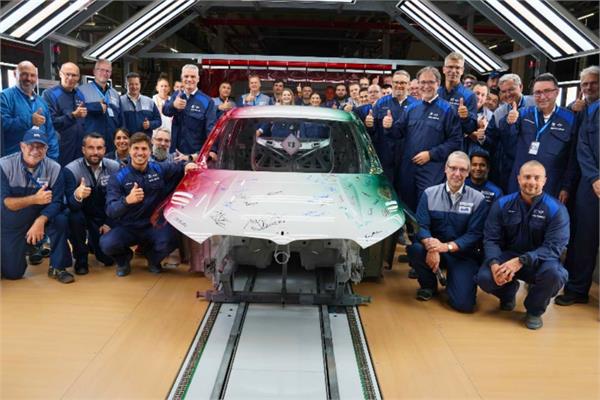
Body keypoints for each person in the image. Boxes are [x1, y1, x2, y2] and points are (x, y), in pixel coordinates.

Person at [476, 161, 569, 330]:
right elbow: (491, 239)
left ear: (544, 181)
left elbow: (554, 247)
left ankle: (534, 310)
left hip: (540, 261)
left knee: (556, 274)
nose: (531, 182)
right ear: (518, 179)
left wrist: (522, 260)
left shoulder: (557, 209)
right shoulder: (502, 204)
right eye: (527, 177)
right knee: (484, 277)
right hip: (508, 256)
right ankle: (508, 292)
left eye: (536, 177)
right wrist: (495, 263)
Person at [100, 133, 198, 276]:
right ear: (129, 150)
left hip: (153, 225)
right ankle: (123, 260)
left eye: (144, 149)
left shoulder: (159, 169)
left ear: (150, 151)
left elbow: (178, 167)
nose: (140, 153)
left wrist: (187, 164)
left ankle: (153, 259)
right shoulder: (118, 177)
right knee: (107, 244)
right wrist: (127, 201)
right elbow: (110, 210)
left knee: (172, 239)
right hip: (128, 227)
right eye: (136, 148)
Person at [407, 151, 488, 312]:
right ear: (445, 169)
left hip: (462, 255)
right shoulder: (429, 194)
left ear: (468, 172)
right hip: (434, 251)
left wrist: (446, 247)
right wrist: (431, 246)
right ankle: (429, 285)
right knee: (416, 249)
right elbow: (421, 226)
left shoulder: (478, 199)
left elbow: (474, 235)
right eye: (453, 168)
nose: (457, 174)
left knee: (463, 305)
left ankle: (455, 283)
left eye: (462, 170)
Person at [0, 129, 73, 283]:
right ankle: (25, 248)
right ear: (21, 146)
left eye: (40, 147)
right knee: (13, 273)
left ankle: (58, 267)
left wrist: (40, 220)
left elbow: (57, 202)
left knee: (61, 219)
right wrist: (34, 199)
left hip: (43, 215)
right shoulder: (4, 165)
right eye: (30, 146)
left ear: (46, 149)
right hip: (13, 219)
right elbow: (5, 203)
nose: (35, 150)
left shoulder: (54, 168)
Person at [391, 66, 462, 212]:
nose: (426, 86)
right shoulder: (411, 108)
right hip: (408, 168)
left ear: (438, 84)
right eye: (422, 82)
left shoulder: (447, 110)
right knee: (406, 206)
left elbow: (455, 141)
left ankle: (425, 235)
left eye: (430, 82)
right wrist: (388, 126)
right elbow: (397, 133)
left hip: (432, 169)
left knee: (428, 206)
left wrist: (431, 154)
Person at [499, 73, 577, 200]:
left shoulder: (570, 119)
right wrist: (509, 121)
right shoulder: (523, 114)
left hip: (551, 184)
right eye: (537, 92)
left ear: (556, 92)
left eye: (547, 91)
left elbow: (572, 158)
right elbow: (505, 136)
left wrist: (566, 187)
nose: (542, 97)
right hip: (520, 183)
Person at [557, 99, 599, 306]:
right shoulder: (591, 111)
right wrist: (594, 178)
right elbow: (582, 146)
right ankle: (577, 289)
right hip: (590, 185)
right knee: (584, 240)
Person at [63, 133, 120, 275]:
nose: (95, 152)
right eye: (91, 148)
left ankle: (95, 245)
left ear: (105, 149)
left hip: (103, 214)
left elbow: (118, 199)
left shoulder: (114, 167)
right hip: (81, 213)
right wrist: (77, 196)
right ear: (83, 150)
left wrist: (109, 223)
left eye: (99, 148)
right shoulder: (71, 169)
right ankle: (81, 258)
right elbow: (71, 205)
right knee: (73, 217)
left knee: (107, 259)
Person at [485, 74, 535, 192]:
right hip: (509, 166)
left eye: (511, 89)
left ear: (521, 87)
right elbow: (490, 139)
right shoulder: (499, 113)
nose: (508, 94)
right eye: (503, 91)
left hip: (533, 162)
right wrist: (480, 136)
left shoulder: (535, 104)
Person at [366, 70, 417, 185]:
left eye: (403, 83)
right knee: (386, 190)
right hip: (385, 156)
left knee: (405, 192)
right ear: (392, 83)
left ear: (409, 85)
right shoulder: (381, 103)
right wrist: (369, 125)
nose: (399, 85)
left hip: (407, 157)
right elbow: (372, 131)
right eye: (396, 82)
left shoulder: (416, 104)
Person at [1, 61, 59, 160]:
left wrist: (53, 159)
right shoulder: (4, 97)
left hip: (41, 162)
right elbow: (3, 124)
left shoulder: (42, 102)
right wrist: (29, 120)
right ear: (15, 74)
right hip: (14, 162)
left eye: (32, 75)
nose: (29, 79)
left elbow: (50, 134)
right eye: (24, 74)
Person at [163, 64, 217, 158]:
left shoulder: (207, 101)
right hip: (175, 153)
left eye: (193, 76)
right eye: (186, 76)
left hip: (195, 154)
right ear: (181, 78)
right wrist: (173, 105)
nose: (189, 79)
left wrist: (213, 150)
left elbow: (211, 128)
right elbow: (165, 111)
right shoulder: (176, 95)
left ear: (198, 79)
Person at [42, 62, 87, 166]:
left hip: (79, 148)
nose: (70, 78)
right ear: (60, 74)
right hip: (60, 149)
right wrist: (73, 116)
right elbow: (50, 122)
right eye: (67, 74)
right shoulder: (50, 94)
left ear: (78, 78)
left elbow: (83, 122)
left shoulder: (79, 94)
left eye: (74, 75)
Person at [79, 59, 121, 152]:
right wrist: (96, 107)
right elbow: (77, 110)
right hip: (92, 144)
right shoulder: (81, 91)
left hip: (111, 143)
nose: (104, 73)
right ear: (94, 72)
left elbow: (120, 119)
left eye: (107, 71)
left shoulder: (115, 94)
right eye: (101, 70)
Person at [438, 52, 478, 142]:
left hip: (455, 146)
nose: (453, 71)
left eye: (457, 67)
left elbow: (471, 129)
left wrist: (465, 117)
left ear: (462, 70)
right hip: (434, 143)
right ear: (444, 69)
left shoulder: (469, 96)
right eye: (450, 67)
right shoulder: (436, 93)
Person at [120, 72, 162, 138]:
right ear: (126, 85)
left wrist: (150, 124)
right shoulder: (120, 102)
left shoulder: (149, 101)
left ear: (140, 85)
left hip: (145, 142)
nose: (134, 87)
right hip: (127, 141)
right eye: (131, 84)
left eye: (136, 84)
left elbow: (158, 121)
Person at [463, 82, 493, 155]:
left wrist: (482, 134)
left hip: (478, 155)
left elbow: (491, 141)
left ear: (486, 98)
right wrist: (470, 132)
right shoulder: (461, 109)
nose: (479, 97)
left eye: (483, 95)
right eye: (477, 93)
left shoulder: (490, 116)